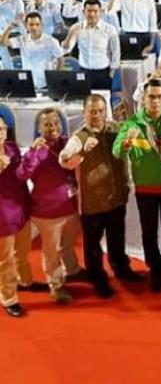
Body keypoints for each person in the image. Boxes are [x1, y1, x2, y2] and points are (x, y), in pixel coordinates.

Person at [58, 94, 144, 298]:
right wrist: (81, 153)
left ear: (106, 111)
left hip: (116, 196)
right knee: (93, 244)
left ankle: (122, 269)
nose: (96, 115)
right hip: (92, 201)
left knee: (117, 239)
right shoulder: (79, 137)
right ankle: (98, 279)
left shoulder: (116, 129)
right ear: (84, 112)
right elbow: (64, 160)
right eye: (92, 111)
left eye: (100, 111)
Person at [114, 79, 161, 292]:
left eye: (159, 97)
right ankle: (155, 268)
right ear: (143, 99)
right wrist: (127, 142)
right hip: (146, 187)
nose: (155, 101)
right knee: (149, 231)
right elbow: (117, 151)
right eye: (151, 97)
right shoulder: (132, 124)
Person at [16, 108, 83, 304]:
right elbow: (22, 174)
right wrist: (35, 153)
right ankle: (56, 285)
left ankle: (72, 270)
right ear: (38, 128)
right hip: (47, 212)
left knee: (68, 245)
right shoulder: (34, 150)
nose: (52, 127)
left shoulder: (68, 143)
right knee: (51, 251)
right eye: (47, 124)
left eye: (56, 123)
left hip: (70, 207)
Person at [0, 116, 29, 317]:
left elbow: (21, 175)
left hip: (19, 207)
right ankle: (8, 297)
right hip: (2, 215)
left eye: (1, 129)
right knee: (5, 258)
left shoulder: (12, 148)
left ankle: (23, 281)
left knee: (21, 251)